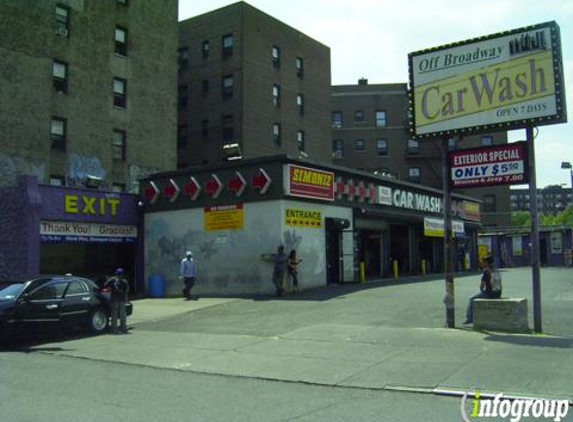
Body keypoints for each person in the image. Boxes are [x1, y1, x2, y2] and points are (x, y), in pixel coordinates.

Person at [464, 255, 501, 324]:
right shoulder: (496, 270)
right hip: (498, 293)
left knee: (471, 298)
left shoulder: (486, 272)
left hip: (490, 294)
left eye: (484, 262)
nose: (482, 263)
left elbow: (481, 287)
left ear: (487, 263)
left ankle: (469, 318)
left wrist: (483, 291)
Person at [103, 268, 130, 334]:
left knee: (114, 315)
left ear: (116, 273)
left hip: (114, 299)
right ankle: (123, 328)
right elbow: (127, 290)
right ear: (122, 274)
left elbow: (105, 285)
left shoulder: (112, 280)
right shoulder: (124, 281)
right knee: (122, 315)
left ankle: (114, 330)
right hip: (122, 299)